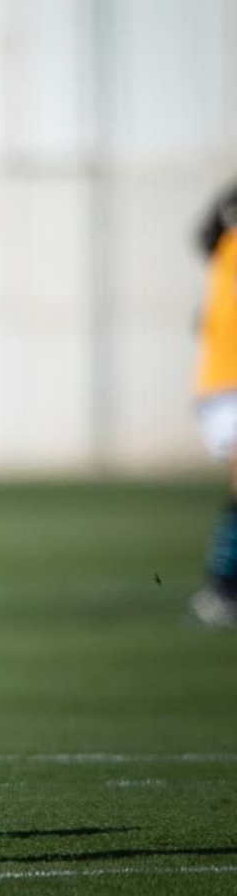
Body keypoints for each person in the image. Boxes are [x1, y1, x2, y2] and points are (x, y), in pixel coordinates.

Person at [190, 181, 237, 628]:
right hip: (228, 386)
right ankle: (221, 588)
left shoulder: (224, 252)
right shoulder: (230, 251)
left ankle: (223, 587)